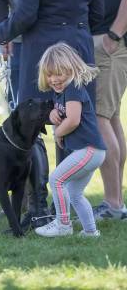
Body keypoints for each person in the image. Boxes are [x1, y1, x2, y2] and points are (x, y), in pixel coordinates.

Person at [0, 0, 104, 231]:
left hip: (44, 47)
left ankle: (39, 208)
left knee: (32, 123)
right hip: (79, 44)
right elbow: (98, 12)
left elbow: (26, 14)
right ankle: (63, 205)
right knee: (72, 118)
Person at [35, 43, 106, 237]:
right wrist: (52, 116)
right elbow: (60, 114)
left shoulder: (73, 88)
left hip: (89, 149)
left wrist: (58, 133)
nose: (54, 79)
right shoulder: (60, 92)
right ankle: (91, 232)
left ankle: (63, 225)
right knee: (74, 194)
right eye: (50, 75)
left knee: (56, 179)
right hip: (89, 151)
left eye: (60, 73)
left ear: (72, 69)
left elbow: (73, 120)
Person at [91, 0, 127, 220]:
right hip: (106, 39)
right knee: (110, 117)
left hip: (109, 41)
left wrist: (114, 34)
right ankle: (116, 201)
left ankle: (113, 204)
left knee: (99, 116)